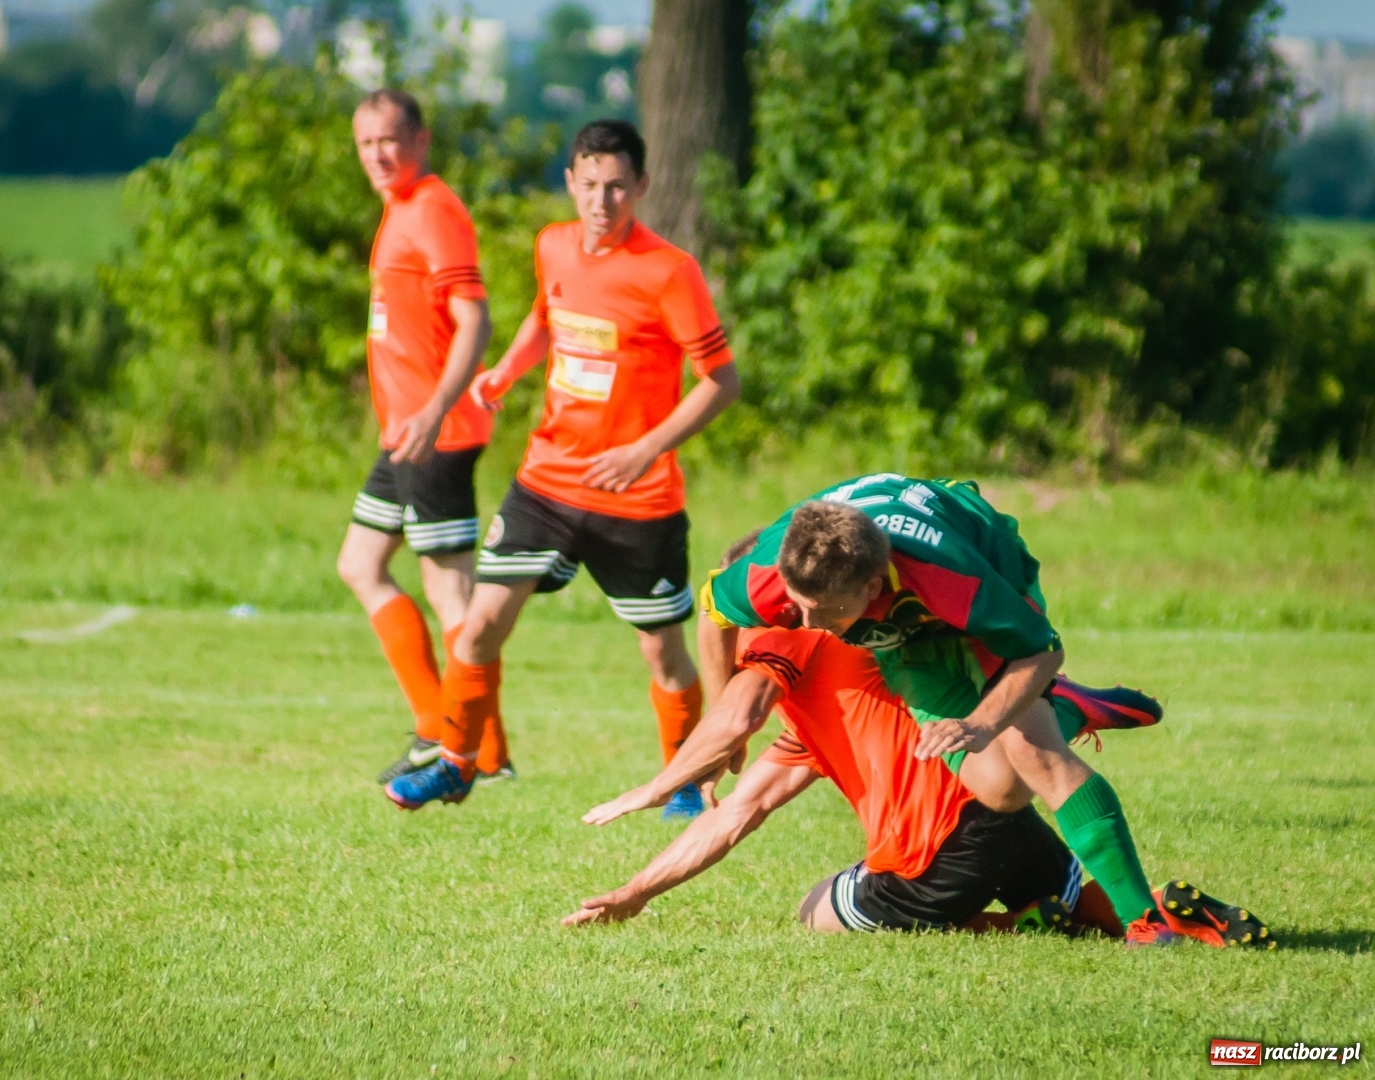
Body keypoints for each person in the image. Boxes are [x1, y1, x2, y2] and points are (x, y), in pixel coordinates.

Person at [694, 476, 1268, 944]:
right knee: (999, 788)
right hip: (906, 619)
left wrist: (984, 722)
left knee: (1032, 752)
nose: (812, 627)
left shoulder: (958, 581)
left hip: (990, 584)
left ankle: (1146, 923)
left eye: (826, 612)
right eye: (800, 608)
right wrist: (722, 721)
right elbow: (712, 613)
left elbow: (1042, 649)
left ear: (873, 585)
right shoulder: (775, 572)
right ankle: (1067, 707)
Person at [383, 119, 741, 815]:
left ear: (640, 186)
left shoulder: (670, 271)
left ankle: (686, 785)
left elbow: (721, 381)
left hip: (638, 500)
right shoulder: (551, 244)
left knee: (663, 655)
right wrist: (508, 371)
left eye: (616, 187)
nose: (601, 201)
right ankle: (459, 763)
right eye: (588, 185)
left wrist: (645, 449)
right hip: (546, 482)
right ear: (571, 184)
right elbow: (548, 316)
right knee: (483, 622)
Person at [567, 604, 1272, 949]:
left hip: (936, 857)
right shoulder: (856, 671)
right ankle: (1140, 909)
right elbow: (737, 809)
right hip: (1002, 811)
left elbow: (736, 742)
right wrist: (636, 891)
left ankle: (1000, 927)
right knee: (1073, 902)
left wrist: (659, 791)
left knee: (816, 908)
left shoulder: (782, 634)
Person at [339, 89, 511, 786]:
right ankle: (437, 725)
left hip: (436, 431)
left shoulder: (434, 209)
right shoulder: (398, 209)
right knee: (360, 564)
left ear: (421, 141)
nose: (378, 155)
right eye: (365, 143)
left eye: (389, 140)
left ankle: (482, 751)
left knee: (451, 592)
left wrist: (438, 406)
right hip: (403, 433)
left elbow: (476, 319)